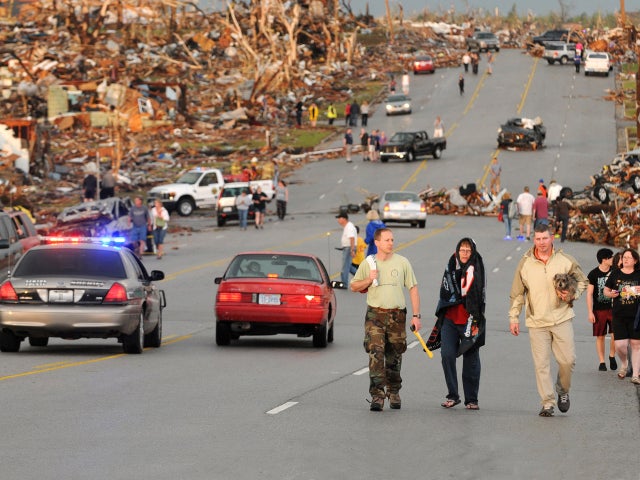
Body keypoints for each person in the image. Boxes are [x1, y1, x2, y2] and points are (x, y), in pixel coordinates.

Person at [509, 224, 589, 417]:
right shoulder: (525, 263)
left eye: (545, 238)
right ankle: (547, 402)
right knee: (541, 365)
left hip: (561, 319)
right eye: (538, 239)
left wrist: (572, 295)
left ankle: (563, 390)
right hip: (537, 322)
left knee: (568, 361)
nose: (541, 243)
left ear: (552, 238)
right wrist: (514, 317)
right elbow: (517, 293)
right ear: (534, 239)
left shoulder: (565, 260)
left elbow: (583, 281)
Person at [350, 228, 421, 411]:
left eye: (392, 239)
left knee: (394, 355)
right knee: (376, 352)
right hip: (376, 315)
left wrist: (416, 316)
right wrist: (368, 279)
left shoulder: (402, 262)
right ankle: (377, 395)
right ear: (377, 243)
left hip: (397, 315)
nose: (391, 243)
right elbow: (354, 286)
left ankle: (394, 391)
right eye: (387, 240)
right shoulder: (369, 263)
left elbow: (413, 288)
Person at [436, 238, 486, 410]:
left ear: (473, 252)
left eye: (468, 250)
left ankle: (472, 399)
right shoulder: (451, 265)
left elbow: (478, 296)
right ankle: (453, 395)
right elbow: (444, 291)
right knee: (447, 355)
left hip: (470, 320)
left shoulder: (476, 268)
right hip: (450, 319)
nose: (464, 253)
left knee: (471, 360)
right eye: (462, 250)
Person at [603, 248, 640, 384]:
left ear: (635, 261)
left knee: (636, 344)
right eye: (624, 257)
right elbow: (606, 290)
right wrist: (610, 294)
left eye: (629, 257)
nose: (625, 259)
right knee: (620, 346)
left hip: (636, 316)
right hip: (619, 315)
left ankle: (635, 374)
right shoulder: (615, 273)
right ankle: (624, 363)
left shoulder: (638, 274)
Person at [586, 248, 617, 371]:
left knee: (615, 333)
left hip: (614, 308)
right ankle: (602, 362)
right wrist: (590, 312)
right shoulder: (593, 274)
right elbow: (589, 294)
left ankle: (612, 355)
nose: (613, 259)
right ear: (604, 259)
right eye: (611, 257)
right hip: (599, 309)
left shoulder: (615, 271)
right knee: (600, 336)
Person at [336, 212, 357, 288]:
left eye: (339, 218)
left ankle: (344, 284)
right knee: (349, 267)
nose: (338, 220)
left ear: (344, 219)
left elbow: (352, 238)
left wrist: (352, 250)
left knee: (345, 267)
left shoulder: (349, 227)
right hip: (347, 248)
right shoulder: (347, 226)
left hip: (349, 248)